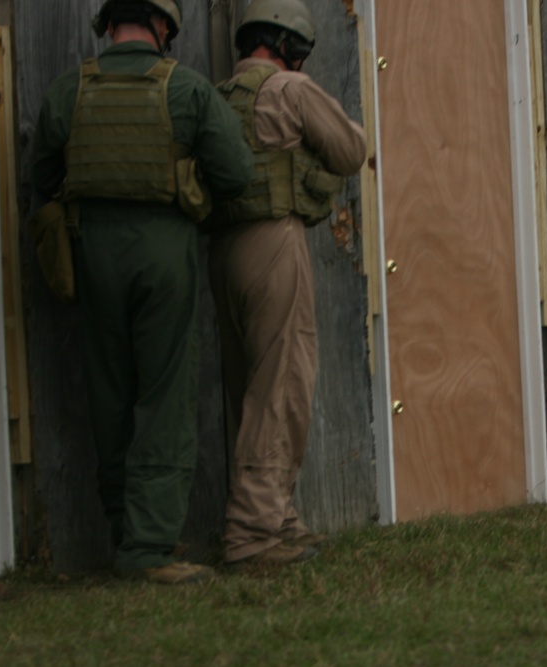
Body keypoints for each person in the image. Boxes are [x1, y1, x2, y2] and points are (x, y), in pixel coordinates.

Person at [29, 0, 253, 584]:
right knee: (165, 392)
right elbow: (235, 172)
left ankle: (125, 530)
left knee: (108, 391)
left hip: (90, 252)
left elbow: (40, 175)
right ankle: (149, 547)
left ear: (107, 25)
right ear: (163, 27)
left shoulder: (67, 91)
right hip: (163, 251)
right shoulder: (188, 90)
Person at [208, 0, 366, 567]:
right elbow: (352, 151)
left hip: (221, 250)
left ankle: (278, 517)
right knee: (283, 386)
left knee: (250, 387)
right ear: (289, 46)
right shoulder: (288, 91)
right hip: (274, 241)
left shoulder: (217, 96)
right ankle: (252, 533)